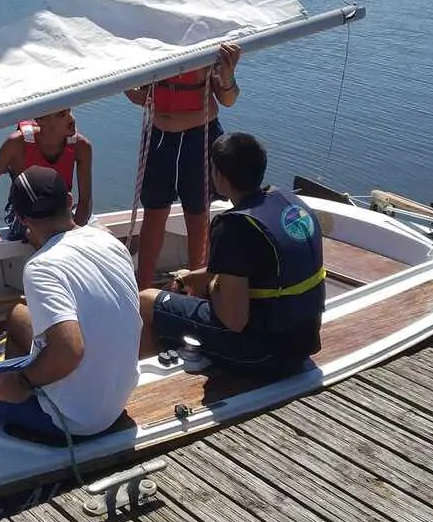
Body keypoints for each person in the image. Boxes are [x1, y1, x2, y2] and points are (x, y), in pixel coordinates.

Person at [0, 165, 141, 438]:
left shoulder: (42, 267)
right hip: (114, 401)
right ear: (69, 201)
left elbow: (69, 349)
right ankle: (11, 400)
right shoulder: (110, 242)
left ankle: (18, 399)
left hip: (71, 418)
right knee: (18, 315)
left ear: (22, 218)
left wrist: (22, 381)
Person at [138, 132, 326, 379]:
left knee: (147, 300)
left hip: (262, 355)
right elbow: (247, 271)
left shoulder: (233, 227)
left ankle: (147, 377)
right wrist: (188, 279)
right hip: (301, 344)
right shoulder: (288, 203)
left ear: (218, 175)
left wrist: (212, 286)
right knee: (190, 291)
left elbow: (233, 320)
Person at [124, 42, 241, 289]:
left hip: (199, 136)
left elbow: (228, 99)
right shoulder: (151, 42)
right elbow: (128, 79)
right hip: (158, 136)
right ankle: (143, 290)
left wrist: (228, 74)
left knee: (197, 216)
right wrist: (131, 91)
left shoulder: (208, 43)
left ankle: (197, 290)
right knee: (154, 214)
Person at [0, 109, 93, 241]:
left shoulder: (81, 146)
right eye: (61, 115)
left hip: (62, 211)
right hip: (26, 215)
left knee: (92, 229)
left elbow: (85, 201)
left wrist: (76, 234)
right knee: (35, 234)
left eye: (69, 111)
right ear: (40, 120)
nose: (72, 119)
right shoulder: (17, 143)